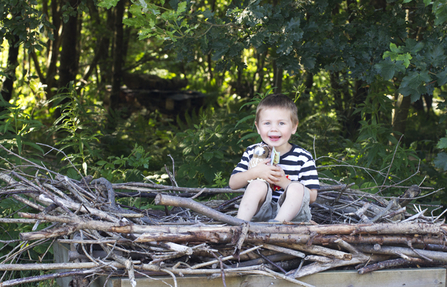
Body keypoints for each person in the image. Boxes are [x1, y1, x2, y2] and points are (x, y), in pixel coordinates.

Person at [229, 93, 319, 223]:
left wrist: (283, 181)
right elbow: (233, 183)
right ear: (258, 127)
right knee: (257, 184)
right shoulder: (253, 152)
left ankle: (277, 225)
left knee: (297, 187)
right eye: (267, 123)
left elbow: (312, 197)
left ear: (294, 127)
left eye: (281, 123)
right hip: (261, 213)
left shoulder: (303, 157)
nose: (274, 129)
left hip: (292, 219)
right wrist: (255, 172)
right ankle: (239, 224)